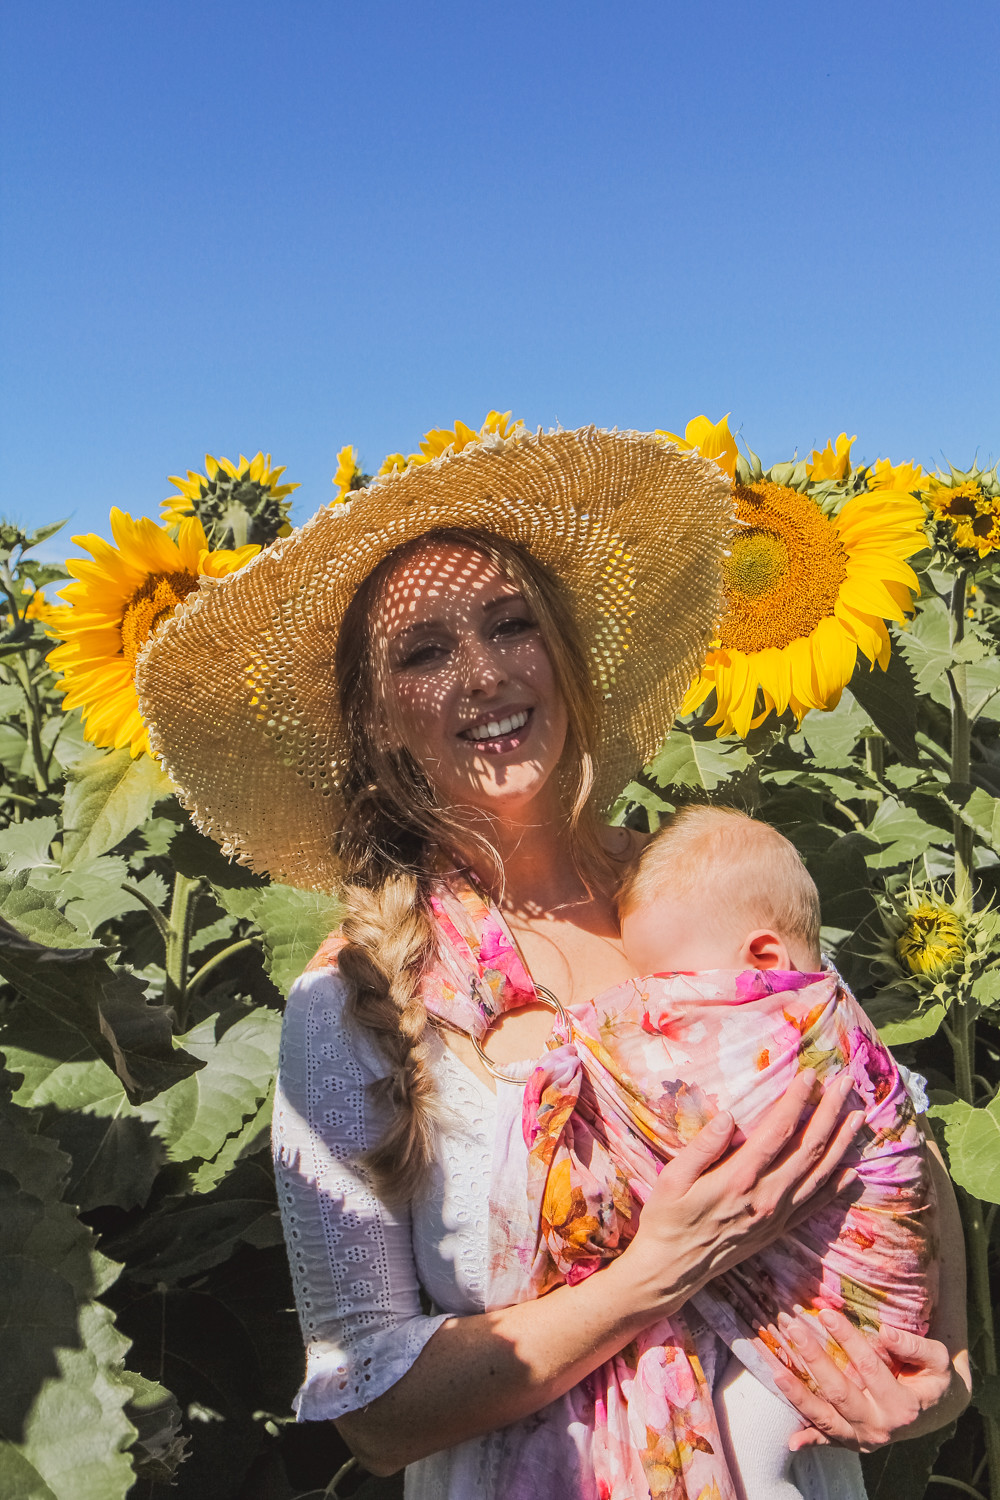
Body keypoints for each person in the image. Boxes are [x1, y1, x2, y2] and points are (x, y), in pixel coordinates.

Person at [135, 426, 970, 1500]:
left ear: (567, 659)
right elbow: (376, 1415)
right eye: (424, 653)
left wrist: (940, 1364)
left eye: (511, 625)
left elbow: (888, 1122)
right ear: (378, 722)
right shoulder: (357, 1002)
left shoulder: (709, 890)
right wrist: (661, 1268)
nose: (483, 674)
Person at [516, 803, 939, 1500]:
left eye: (671, 988)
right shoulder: (716, 919)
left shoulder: (794, 1016)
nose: (653, 1006)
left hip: (847, 1313)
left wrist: (596, 1046)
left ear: (766, 961)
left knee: (758, 1445)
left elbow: (760, 1115)